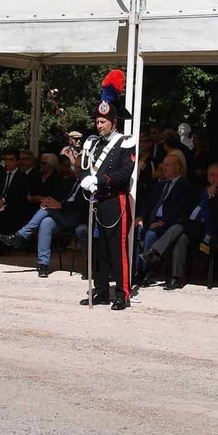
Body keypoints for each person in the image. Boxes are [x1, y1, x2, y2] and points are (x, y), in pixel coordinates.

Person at [79, 70, 136, 311]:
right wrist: (85, 179)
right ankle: (101, 289)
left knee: (116, 248)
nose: (99, 125)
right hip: (96, 201)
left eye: (103, 122)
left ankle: (122, 294)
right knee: (98, 249)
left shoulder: (126, 142)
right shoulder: (91, 141)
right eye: (97, 121)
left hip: (116, 201)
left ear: (114, 122)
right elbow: (83, 166)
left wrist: (100, 181)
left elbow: (125, 173)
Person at [0, 158, 88, 277]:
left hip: (77, 217)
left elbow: (83, 205)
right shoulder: (71, 181)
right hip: (63, 216)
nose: (75, 170)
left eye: (78, 167)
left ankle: (22, 235)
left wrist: (60, 205)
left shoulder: (89, 184)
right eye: (74, 167)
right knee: (46, 222)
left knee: (48, 209)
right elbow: (58, 194)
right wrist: (49, 200)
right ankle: (43, 264)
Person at [143, 163, 218, 290]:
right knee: (181, 237)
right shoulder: (200, 190)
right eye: (212, 175)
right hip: (190, 228)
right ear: (208, 177)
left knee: (181, 224)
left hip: (208, 231)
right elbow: (188, 208)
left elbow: (215, 217)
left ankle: (154, 252)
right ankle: (176, 278)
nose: (216, 178)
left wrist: (210, 197)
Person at [134, 151, 194, 283]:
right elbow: (148, 204)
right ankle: (137, 269)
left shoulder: (185, 186)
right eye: (163, 165)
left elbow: (180, 209)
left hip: (170, 223)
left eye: (167, 165)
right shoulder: (160, 185)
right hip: (153, 220)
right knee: (137, 230)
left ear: (177, 168)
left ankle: (145, 272)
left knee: (150, 234)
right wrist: (140, 217)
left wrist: (163, 222)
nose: (163, 168)